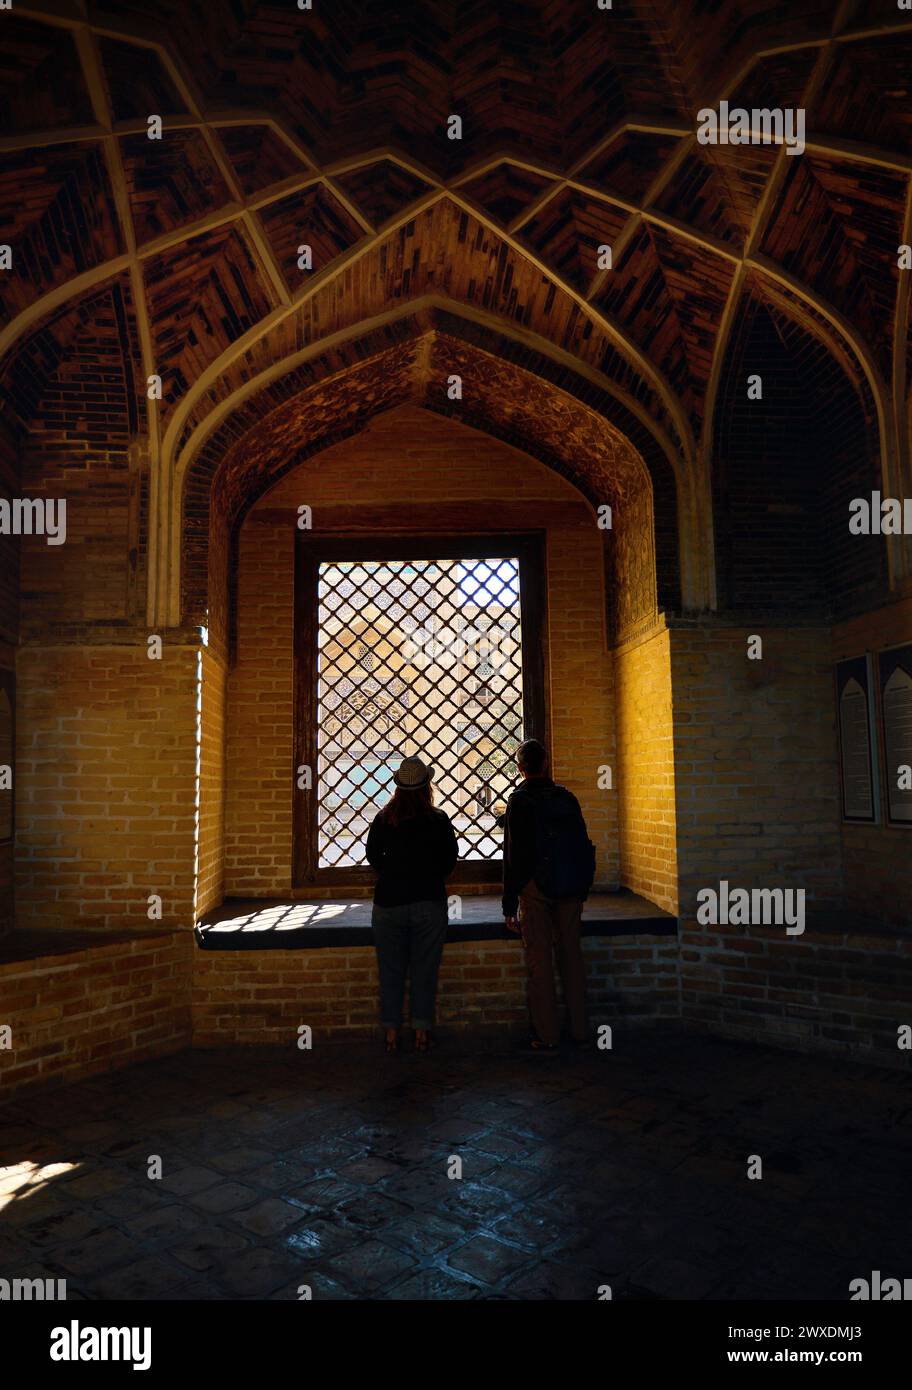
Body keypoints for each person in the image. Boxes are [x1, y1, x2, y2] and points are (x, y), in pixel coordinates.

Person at [502, 739, 595, 1055]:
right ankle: (581, 1030)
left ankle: (548, 1035)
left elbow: (514, 857)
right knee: (572, 957)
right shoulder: (566, 798)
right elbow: (583, 843)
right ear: (546, 764)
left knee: (540, 963)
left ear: (521, 769)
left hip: (535, 889)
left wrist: (508, 904)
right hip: (569, 887)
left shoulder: (520, 802)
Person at [366, 755, 458, 1053]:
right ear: (426, 787)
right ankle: (421, 1031)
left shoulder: (383, 819)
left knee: (390, 971)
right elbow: (448, 862)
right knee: (424, 971)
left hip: (389, 903)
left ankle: (391, 1032)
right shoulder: (439, 820)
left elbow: (373, 858)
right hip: (428, 903)